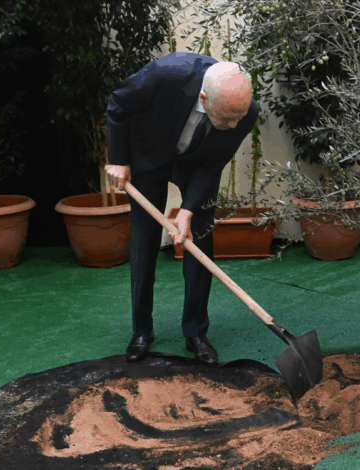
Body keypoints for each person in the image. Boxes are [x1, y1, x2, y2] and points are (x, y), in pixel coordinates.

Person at [104, 52, 260, 365]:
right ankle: (142, 330)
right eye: (227, 117)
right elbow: (119, 103)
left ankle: (195, 333)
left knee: (200, 237)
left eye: (238, 118)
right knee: (144, 242)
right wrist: (118, 159)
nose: (233, 126)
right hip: (148, 154)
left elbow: (214, 163)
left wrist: (187, 210)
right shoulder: (168, 74)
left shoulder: (244, 111)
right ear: (204, 97)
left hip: (197, 163)